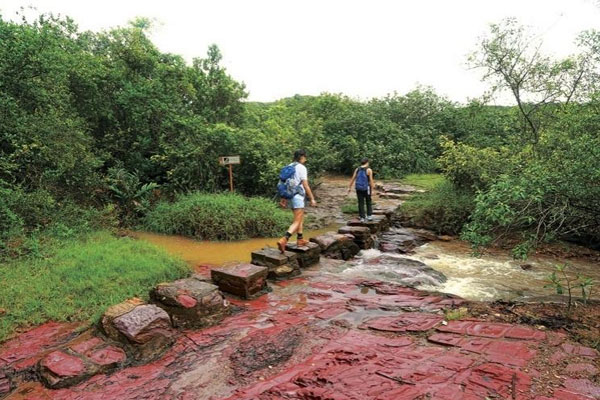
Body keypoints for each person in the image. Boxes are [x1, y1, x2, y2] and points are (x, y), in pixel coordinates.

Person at [277, 149, 317, 253]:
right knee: (297, 220)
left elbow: (285, 184)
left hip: (290, 196)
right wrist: (312, 198)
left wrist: (283, 198)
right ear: (302, 157)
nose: (306, 159)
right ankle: (284, 239)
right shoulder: (301, 168)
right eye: (305, 157)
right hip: (298, 196)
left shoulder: (289, 166)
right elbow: (305, 184)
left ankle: (300, 239)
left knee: (300, 217)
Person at [348, 158, 374, 222]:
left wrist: (349, 187)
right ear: (367, 162)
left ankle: (362, 217)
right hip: (367, 188)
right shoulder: (369, 170)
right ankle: (369, 216)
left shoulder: (357, 169)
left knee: (360, 202)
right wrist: (372, 189)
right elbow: (371, 180)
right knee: (368, 201)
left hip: (358, 188)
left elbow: (353, 178)